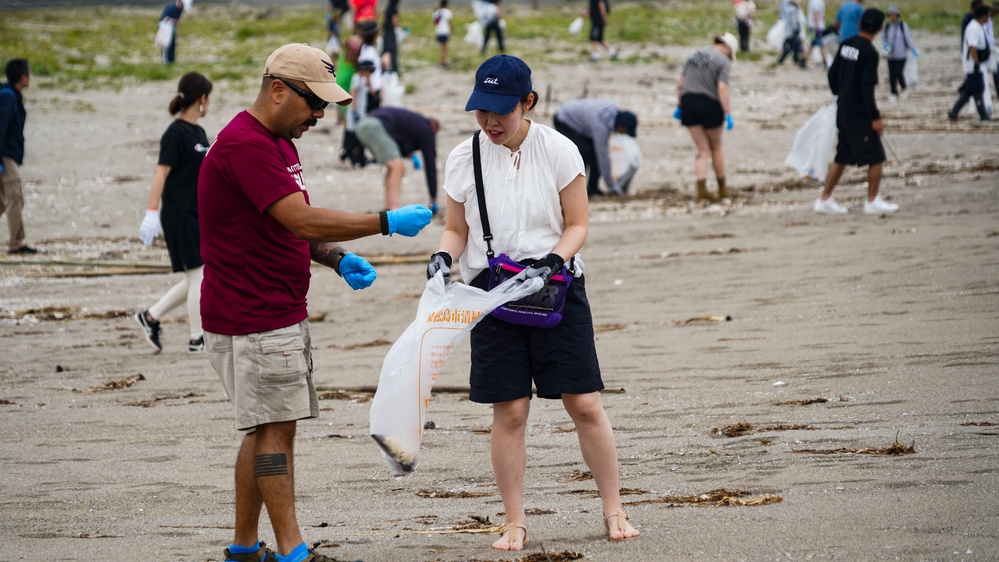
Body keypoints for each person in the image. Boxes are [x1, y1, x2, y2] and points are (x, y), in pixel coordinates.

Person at [197, 43, 432, 562]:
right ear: (278, 90)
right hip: (254, 316)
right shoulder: (247, 145)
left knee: (262, 428)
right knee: (276, 433)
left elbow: (284, 223)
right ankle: (292, 551)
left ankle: (242, 547)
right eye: (315, 102)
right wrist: (385, 222)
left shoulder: (278, 140)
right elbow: (301, 219)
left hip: (264, 308)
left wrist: (333, 257)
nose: (322, 115)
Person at [427, 53, 640, 552]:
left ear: (528, 102)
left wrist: (554, 260)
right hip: (491, 293)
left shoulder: (560, 150)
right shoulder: (464, 157)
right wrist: (441, 255)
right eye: (481, 110)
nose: (489, 121)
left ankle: (614, 509)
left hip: (557, 288)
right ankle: (515, 521)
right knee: (511, 410)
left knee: (584, 403)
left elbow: (579, 224)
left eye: (501, 110)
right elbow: (456, 229)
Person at [134, 72, 213, 354]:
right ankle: (197, 338)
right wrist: (151, 213)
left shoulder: (199, 133)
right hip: (178, 214)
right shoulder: (175, 133)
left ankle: (150, 316)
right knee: (200, 275)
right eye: (209, 98)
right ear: (202, 98)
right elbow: (161, 173)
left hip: (198, 212)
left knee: (197, 274)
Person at [815, 9, 900, 215]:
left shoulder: (846, 44)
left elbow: (832, 74)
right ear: (880, 28)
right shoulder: (869, 52)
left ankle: (824, 199)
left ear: (860, 23)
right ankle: (872, 201)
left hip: (843, 108)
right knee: (877, 156)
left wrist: (839, 94)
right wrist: (875, 117)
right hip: (858, 112)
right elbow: (866, 87)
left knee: (842, 156)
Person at [673, 33, 738, 202]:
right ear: (728, 48)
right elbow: (722, 88)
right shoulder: (722, 60)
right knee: (716, 146)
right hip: (709, 103)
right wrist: (728, 113)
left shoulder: (694, 54)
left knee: (702, 149)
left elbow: (680, 82)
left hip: (688, 101)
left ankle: (701, 190)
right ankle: (722, 189)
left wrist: (679, 106)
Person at [355, 106, 440, 212]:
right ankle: (394, 210)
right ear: (434, 129)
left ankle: (387, 208)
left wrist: (409, 154)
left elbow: (397, 140)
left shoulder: (414, 122)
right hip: (374, 126)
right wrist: (433, 198)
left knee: (392, 167)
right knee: (398, 167)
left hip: (362, 124)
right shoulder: (427, 129)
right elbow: (430, 164)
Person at [553, 99, 637, 198]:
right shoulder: (601, 126)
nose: (624, 134)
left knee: (594, 153)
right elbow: (602, 154)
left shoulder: (613, 112)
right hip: (563, 119)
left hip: (583, 124)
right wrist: (611, 184)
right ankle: (574, 188)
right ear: (621, 127)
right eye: (625, 132)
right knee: (584, 151)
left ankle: (592, 188)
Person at [0, 58, 35, 255]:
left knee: (1, 200)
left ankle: (16, 241)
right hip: (4, 156)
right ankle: (17, 243)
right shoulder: (8, 98)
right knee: (15, 198)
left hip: (6, 155)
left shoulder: (11, 95)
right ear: (23, 77)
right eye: (28, 73)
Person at [949, 4, 995, 122]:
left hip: (975, 64)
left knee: (969, 90)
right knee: (978, 88)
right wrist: (976, 62)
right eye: (988, 16)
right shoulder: (973, 28)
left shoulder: (978, 26)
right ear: (983, 16)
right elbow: (972, 47)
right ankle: (984, 116)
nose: (988, 18)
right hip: (973, 65)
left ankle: (953, 113)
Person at [339, 59, 377, 168]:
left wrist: (369, 81)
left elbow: (372, 92)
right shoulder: (356, 78)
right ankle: (345, 154)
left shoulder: (362, 79)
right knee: (357, 136)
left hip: (361, 112)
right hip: (355, 112)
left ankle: (357, 158)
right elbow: (353, 95)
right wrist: (354, 111)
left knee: (359, 136)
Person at [883, 4, 919, 102]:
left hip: (901, 54)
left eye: (894, 15)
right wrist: (885, 47)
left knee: (898, 72)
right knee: (891, 75)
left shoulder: (903, 25)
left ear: (897, 15)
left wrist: (913, 49)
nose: (892, 17)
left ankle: (904, 88)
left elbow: (908, 38)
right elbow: (884, 39)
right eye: (890, 15)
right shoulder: (886, 27)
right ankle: (893, 93)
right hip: (890, 55)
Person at [159, 0, 191, 66]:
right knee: (166, 44)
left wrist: (175, 22)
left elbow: (177, 19)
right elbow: (165, 19)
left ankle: (172, 60)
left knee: (172, 43)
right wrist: (172, 21)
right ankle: (165, 61)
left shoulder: (180, 9)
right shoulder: (171, 7)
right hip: (164, 27)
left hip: (171, 28)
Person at [777, 0, 806, 68]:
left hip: (788, 31)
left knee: (795, 45)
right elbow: (794, 21)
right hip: (792, 31)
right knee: (791, 46)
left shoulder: (788, 8)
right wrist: (796, 29)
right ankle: (782, 59)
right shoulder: (794, 10)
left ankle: (795, 59)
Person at [804, 0, 828, 67]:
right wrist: (816, 27)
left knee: (812, 43)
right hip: (817, 27)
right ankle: (825, 62)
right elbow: (815, 13)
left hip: (814, 26)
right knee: (821, 44)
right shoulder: (817, 1)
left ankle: (804, 59)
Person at [380, 0, 400, 74]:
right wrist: (401, 27)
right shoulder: (394, 9)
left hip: (386, 31)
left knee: (386, 50)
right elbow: (394, 22)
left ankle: (384, 67)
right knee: (392, 50)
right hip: (391, 31)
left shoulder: (388, 8)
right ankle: (394, 68)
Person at [433, 0, 453, 68]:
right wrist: (452, 30)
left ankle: (442, 61)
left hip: (438, 31)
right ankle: (443, 62)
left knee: (441, 47)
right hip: (445, 31)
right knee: (444, 48)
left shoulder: (437, 12)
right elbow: (449, 22)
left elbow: (434, 23)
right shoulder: (447, 12)